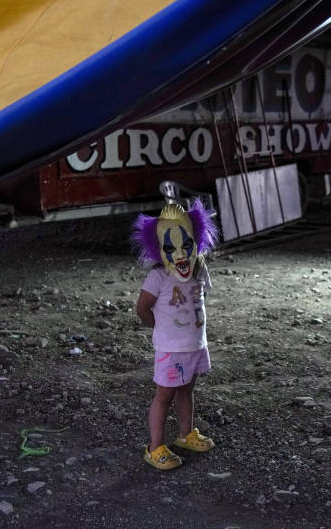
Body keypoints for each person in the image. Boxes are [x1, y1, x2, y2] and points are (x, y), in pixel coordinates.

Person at [131, 200, 218, 470]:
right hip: (172, 349)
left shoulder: (198, 270)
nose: (180, 255)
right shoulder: (158, 278)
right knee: (164, 395)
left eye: (186, 244)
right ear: (159, 249)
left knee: (187, 389)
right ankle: (155, 447)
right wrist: (158, 328)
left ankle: (185, 434)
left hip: (194, 346)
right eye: (170, 248)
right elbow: (142, 308)